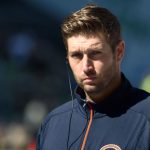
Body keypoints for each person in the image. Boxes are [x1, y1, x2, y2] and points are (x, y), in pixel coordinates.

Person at [36, 4, 150, 150]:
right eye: (76, 55)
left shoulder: (146, 117)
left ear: (119, 52)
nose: (86, 67)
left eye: (95, 53)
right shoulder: (52, 123)